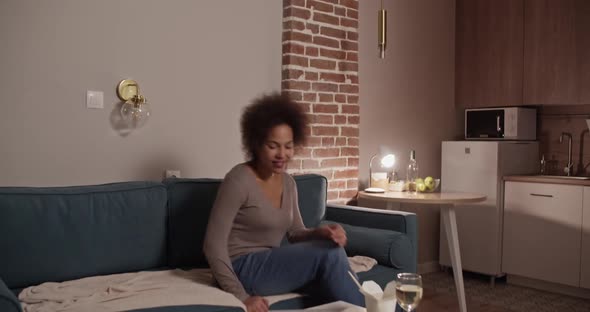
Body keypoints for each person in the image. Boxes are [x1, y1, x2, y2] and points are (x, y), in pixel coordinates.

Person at [203, 93, 364, 312]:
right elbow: (212, 245)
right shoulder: (238, 179)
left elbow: (295, 232)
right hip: (240, 268)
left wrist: (322, 233)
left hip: (270, 265)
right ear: (256, 144)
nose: (282, 154)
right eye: (273, 146)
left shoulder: (288, 182)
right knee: (331, 255)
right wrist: (241, 296)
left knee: (331, 253)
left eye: (288, 146)